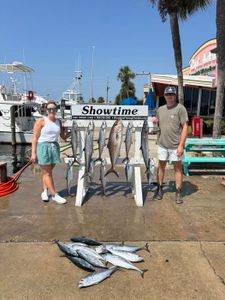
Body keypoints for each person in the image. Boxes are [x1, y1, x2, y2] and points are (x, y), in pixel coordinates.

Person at [152, 86, 188, 204]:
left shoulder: (180, 108)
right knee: (160, 167)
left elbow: (185, 127)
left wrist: (181, 145)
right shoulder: (160, 109)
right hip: (162, 144)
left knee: (177, 169)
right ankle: (160, 188)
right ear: (165, 96)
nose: (170, 97)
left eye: (172, 95)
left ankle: (178, 191)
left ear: (175, 96)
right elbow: (156, 126)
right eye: (168, 95)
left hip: (176, 145)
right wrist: (154, 123)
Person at [31, 101, 69, 204]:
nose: (51, 111)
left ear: (57, 110)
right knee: (48, 173)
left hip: (54, 147)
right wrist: (33, 153)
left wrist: (66, 129)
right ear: (46, 110)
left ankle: (44, 191)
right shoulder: (41, 121)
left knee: (47, 172)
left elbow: (63, 137)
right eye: (49, 109)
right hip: (43, 147)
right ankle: (54, 194)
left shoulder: (59, 122)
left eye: (54, 109)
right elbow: (34, 138)